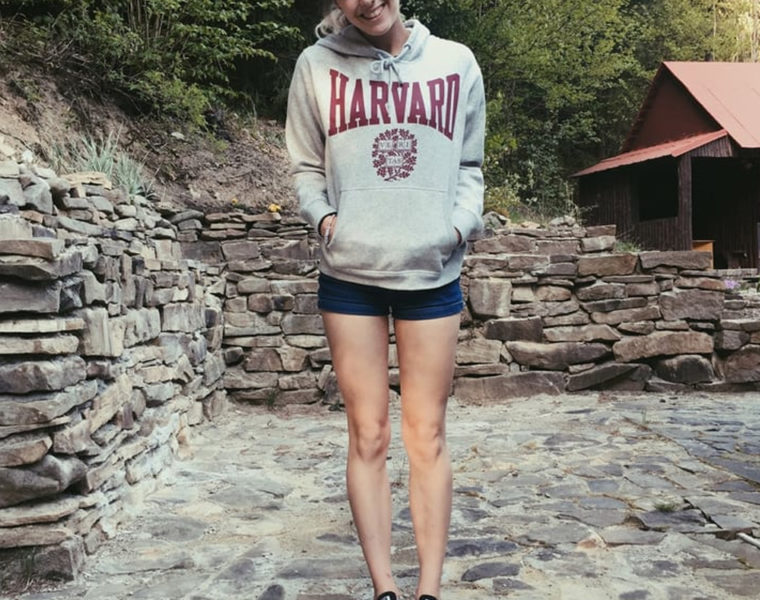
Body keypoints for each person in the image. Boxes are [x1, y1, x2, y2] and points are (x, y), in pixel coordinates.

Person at [285, 2, 485, 599]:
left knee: (427, 435)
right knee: (368, 433)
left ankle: (429, 590)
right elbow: (305, 166)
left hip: (431, 270)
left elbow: (470, 164)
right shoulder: (316, 65)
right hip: (350, 275)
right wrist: (325, 219)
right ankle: (384, 589)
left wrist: (457, 227)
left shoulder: (456, 62)